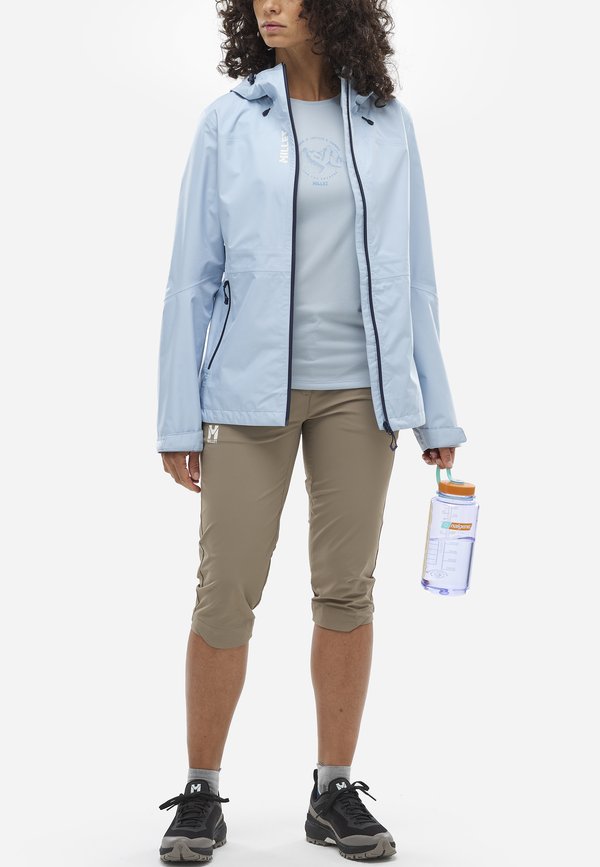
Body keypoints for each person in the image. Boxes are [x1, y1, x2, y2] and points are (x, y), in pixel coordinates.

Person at [155, 0, 467, 861]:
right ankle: (201, 791)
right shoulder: (227, 122)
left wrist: (436, 409)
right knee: (225, 592)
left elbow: (417, 276)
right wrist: (179, 415)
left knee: (346, 591)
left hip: (362, 394)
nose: (270, 5)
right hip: (245, 396)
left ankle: (334, 791)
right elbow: (191, 277)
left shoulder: (388, 124)